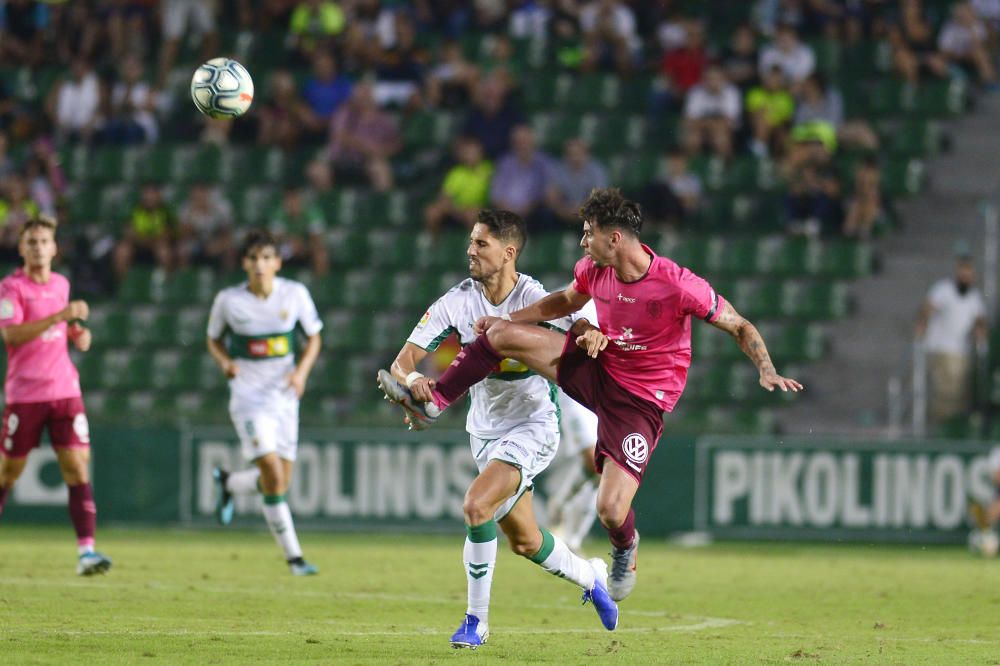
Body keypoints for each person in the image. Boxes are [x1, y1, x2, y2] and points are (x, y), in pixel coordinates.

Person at [378, 188, 802, 602]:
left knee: (610, 511)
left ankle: (625, 547)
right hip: (598, 370)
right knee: (503, 333)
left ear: (613, 238)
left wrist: (766, 367)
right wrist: (505, 320)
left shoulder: (677, 284)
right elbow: (561, 303)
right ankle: (435, 402)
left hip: (639, 402)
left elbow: (739, 325)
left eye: (587, 233)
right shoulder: (593, 270)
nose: (582, 242)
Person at [377, 209, 618, 648]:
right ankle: (592, 576)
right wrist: (415, 382)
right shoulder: (457, 301)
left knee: (475, 505)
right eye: (471, 241)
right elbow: (402, 362)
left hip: (533, 424)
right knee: (526, 541)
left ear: (508, 252)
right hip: (484, 430)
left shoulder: (533, 296)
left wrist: (590, 335)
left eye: (480, 244)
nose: (470, 250)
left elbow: (576, 322)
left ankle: (476, 622)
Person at [207, 229, 323, 576]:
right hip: (248, 397)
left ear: (277, 262)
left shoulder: (295, 294)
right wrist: (226, 362)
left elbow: (314, 337)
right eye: (253, 258)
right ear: (244, 263)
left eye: (266, 258)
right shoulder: (229, 301)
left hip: (285, 398)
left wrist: (301, 373)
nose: (260, 264)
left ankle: (229, 483)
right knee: (272, 473)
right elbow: (213, 340)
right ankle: (295, 558)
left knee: (279, 483)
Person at [0, 216, 111, 576]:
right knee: (8, 472)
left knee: (77, 467)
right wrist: (59, 316)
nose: (37, 247)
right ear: (21, 248)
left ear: (54, 248)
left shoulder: (61, 284)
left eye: (43, 241)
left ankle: (87, 553)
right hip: (25, 394)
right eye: (30, 241)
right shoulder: (10, 289)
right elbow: (13, 337)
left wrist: (76, 335)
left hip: (64, 390)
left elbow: (60, 330)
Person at [546, 300, 600, 555]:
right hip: (575, 388)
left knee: (605, 467)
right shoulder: (581, 296)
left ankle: (574, 539)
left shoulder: (630, 295)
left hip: (608, 389)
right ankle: (561, 503)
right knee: (594, 462)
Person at [914, 254, 988, 424]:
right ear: (957, 272)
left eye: (969, 274)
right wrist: (922, 324)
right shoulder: (943, 289)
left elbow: (980, 319)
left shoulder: (974, 297)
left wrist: (980, 331)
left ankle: (951, 424)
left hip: (960, 351)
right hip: (940, 348)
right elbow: (928, 308)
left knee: (958, 393)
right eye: (963, 273)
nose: (965, 277)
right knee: (943, 391)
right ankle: (940, 425)